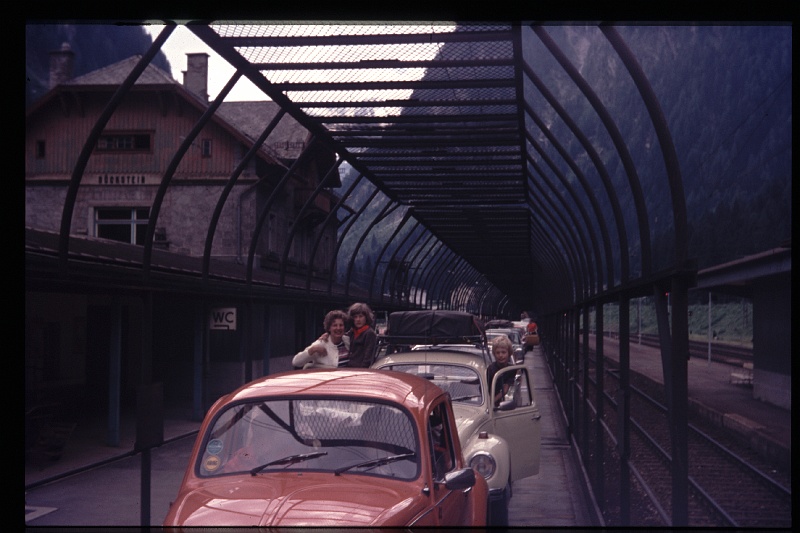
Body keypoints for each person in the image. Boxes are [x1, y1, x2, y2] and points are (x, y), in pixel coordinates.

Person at [486, 334, 516, 406]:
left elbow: (505, 390)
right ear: (494, 354)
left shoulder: (511, 369)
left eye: (503, 352)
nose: (500, 355)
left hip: (502, 404)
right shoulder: (490, 369)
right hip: (488, 402)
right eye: (497, 353)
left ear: (509, 353)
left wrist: (492, 402)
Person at [346, 302, 378, 368]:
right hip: (348, 368)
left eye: (361, 316)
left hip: (360, 370)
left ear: (366, 317)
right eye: (355, 317)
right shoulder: (352, 332)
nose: (358, 319)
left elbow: (368, 358)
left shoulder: (369, 333)